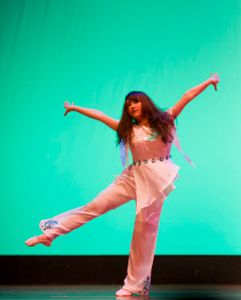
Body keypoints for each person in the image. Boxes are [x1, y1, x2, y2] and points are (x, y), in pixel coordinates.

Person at [25, 73, 220, 297]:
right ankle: (51, 233)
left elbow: (187, 96)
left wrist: (208, 82)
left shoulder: (166, 119)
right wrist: (75, 108)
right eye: (128, 104)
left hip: (156, 180)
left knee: (143, 234)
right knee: (94, 206)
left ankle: (133, 285)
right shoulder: (127, 129)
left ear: (144, 102)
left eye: (135, 101)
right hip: (132, 177)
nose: (131, 106)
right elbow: (100, 116)